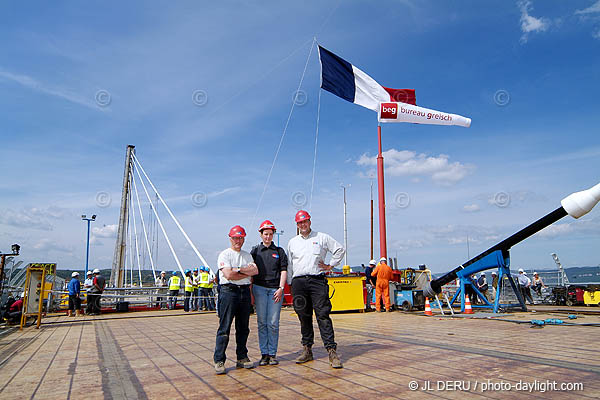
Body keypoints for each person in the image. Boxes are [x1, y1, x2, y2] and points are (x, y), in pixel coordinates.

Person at [287, 210, 345, 369]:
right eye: (299, 223)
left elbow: (340, 249)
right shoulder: (292, 242)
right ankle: (307, 349)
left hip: (317, 280)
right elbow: (290, 265)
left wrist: (330, 265)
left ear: (310, 222)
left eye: (305, 221)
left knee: (323, 315)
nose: (302, 225)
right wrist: (290, 283)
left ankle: (332, 351)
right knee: (303, 316)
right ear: (297, 225)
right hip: (298, 282)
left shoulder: (322, 238)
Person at [213, 225, 259, 374]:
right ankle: (219, 360)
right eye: (235, 238)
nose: (238, 241)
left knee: (243, 328)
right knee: (224, 328)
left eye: (240, 238)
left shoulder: (248, 256)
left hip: (244, 293)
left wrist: (237, 270)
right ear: (230, 238)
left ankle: (242, 357)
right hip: (228, 292)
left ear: (244, 238)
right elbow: (228, 275)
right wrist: (244, 271)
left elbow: (255, 271)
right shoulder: (224, 255)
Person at [250, 220, 288, 366]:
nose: (268, 237)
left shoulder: (279, 251)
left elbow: (283, 270)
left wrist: (281, 288)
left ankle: (272, 354)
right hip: (259, 289)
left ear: (273, 234)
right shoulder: (255, 251)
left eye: (270, 234)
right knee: (261, 323)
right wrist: (251, 291)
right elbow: (251, 271)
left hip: (275, 290)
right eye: (265, 234)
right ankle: (264, 354)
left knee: (273, 323)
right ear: (261, 234)